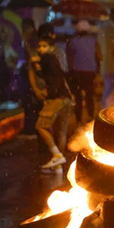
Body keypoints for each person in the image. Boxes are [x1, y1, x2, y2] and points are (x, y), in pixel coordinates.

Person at [29, 36, 73, 169]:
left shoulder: (47, 58)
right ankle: (59, 163)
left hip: (56, 99)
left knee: (40, 126)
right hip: (65, 99)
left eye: (44, 46)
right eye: (39, 46)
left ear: (51, 48)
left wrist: (35, 62)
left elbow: (45, 71)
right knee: (61, 132)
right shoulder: (54, 60)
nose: (41, 49)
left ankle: (57, 156)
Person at [66, 19, 101, 123]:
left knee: (78, 96)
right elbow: (99, 56)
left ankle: (78, 118)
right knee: (89, 95)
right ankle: (90, 116)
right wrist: (97, 70)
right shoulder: (94, 41)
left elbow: (69, 57)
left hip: (76, 72)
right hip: (90, 72)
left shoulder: (73, 41)